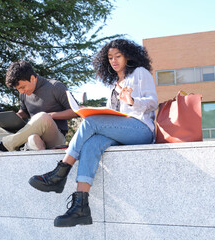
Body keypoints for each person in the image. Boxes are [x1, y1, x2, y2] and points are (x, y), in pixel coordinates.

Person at [28, 39, 159, 227]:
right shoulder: (115, 83)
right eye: (110, 57)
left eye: (118, 56)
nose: (114, 61)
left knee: (90, 122)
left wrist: (131, 100)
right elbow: (111, 114)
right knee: (92, 144)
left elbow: (152, 101)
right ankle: (81, 206)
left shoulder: (140, 73)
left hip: (140, 129)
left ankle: (60, 173)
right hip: (121, 131)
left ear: (128, 56)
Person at [0, 61, 77, 153]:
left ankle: (4, 146)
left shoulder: (55, 87)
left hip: (54, 137)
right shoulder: (23, 93)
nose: (21, 91)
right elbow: (24, 111)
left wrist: (50, 116)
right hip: (30, 134)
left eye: (22, 87)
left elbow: (76, 111)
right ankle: (24, 145)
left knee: (43, 117)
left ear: (32, 78)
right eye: (18, 89)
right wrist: (17, 116)